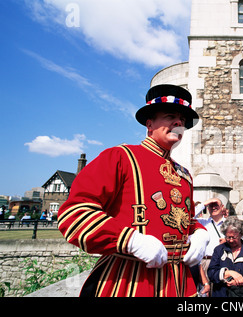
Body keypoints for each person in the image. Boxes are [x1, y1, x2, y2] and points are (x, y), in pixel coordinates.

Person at [57, 84, 209, 297]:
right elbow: (74, 214)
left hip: (180, 284)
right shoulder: (120, 157)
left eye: (182, 121)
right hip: (130, 281)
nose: (178, 123)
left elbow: (188, 221)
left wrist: (201, 235)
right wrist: (130, 240)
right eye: (170, 116)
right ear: (149, 124)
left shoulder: (184, 174)